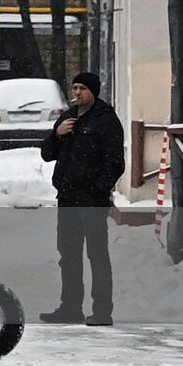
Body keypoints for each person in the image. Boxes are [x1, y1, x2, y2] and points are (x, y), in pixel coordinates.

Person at [38, 71, 124, 326]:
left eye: (82, 88)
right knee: (69, 255)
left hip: (92, 201)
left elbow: (115, 164)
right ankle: (70, 308)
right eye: (74, 87)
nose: (77, 93)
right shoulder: (68, 118)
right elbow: (46, 154)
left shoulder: (106, 120)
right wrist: (57, 133)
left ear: (93, 91)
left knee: (97, 255)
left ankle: (102, 311)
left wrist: (97, 190)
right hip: (67, 198)